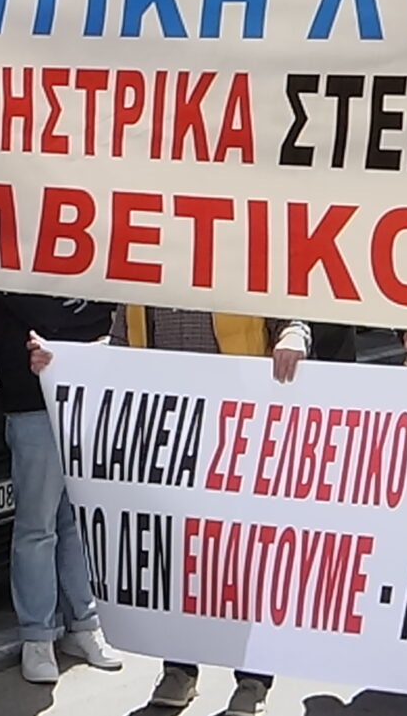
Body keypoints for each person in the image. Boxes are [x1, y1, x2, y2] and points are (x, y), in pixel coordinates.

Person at [116, 306, 347, 716]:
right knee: (179, 556)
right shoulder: (146, 274)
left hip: (240, 427)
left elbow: (289, 317)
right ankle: (179, 669)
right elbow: (121, 341)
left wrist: (294, 336)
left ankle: (253, 678)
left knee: (243, 557)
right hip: (171, 429)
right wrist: (62, 362)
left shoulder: (240, 266)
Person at [0, 291, 124, 685]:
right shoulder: (12, 266)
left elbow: (107, 308)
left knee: (79, 519)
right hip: (32, 401)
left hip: (87, 394)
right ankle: (37, 635)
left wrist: (73, 337)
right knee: (37, 526)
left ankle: (83, 624)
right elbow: (45, 314)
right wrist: (86, 327)